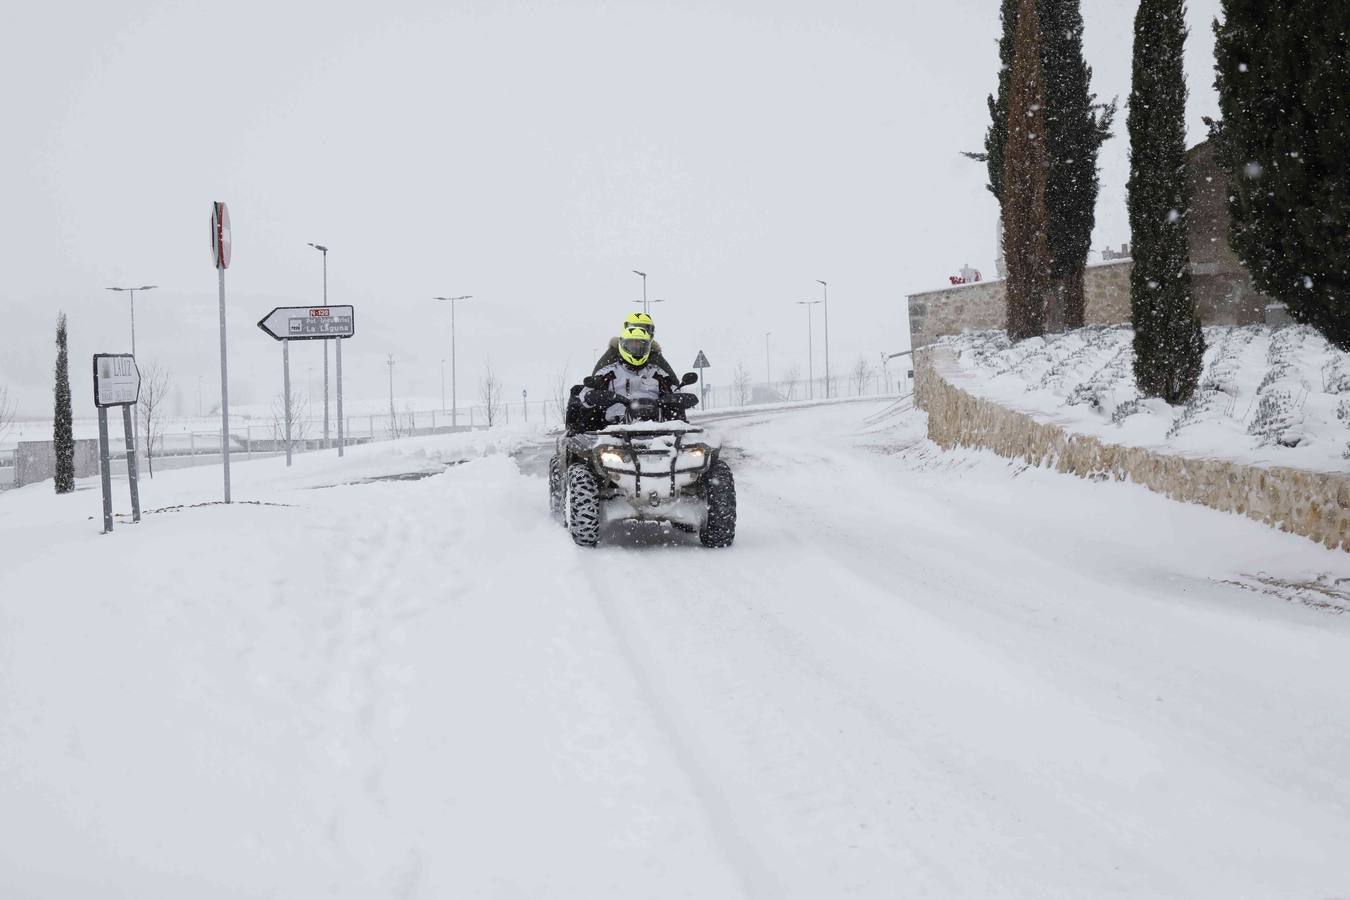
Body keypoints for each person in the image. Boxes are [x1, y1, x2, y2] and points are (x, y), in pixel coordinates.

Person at [572, 327, 692, 430]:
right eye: (632, 346)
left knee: (692, 446)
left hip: (657, 428)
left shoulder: (658, 373)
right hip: (613, 429)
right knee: (585, 439)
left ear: (648, 348)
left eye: (641, 346)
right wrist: (593, 395)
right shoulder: (607, 372)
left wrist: (681, 397)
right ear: (623, 346)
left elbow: (674, 391)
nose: (637, 350)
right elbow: (584, 393)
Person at [592, 312, 678, 380]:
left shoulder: (654, 355)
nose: (640, 332)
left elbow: (672, 383)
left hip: (649, 399)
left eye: (646, 329)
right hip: (618, 400)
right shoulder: (613, 353)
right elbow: (596, 379)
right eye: (635, 328)